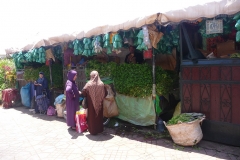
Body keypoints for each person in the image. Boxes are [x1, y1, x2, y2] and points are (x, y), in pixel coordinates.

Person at [80, 71, 106, 135]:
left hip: (91, 104)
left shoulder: (89, 84)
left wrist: (88, 95)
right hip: (100, 104)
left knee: (92, 117)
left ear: (91, 76)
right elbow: (105, 93)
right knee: (98, 117)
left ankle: (93, 131)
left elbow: (84, 91)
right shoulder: (101, 84)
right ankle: (99, 129)